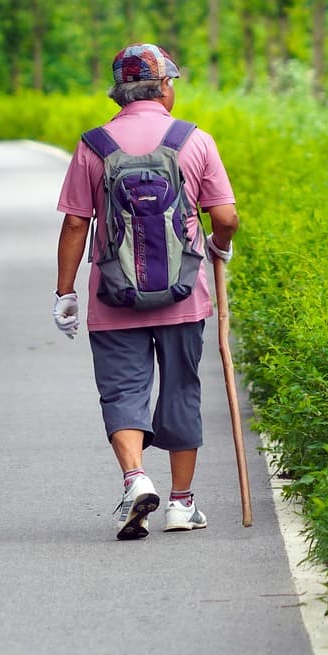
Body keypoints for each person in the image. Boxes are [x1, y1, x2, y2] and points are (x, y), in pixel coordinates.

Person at [53, 43, 239, 541]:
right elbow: (225, 217)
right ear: (165, 87)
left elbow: (76, 223)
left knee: (123, 391)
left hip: (113, 297)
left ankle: (136, 478)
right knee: (181, 388)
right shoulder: (195, 140)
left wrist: (65, 292)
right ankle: (181, 504)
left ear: (119, 93)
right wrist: (220, 247)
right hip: (183, 296)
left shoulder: (93, 145)